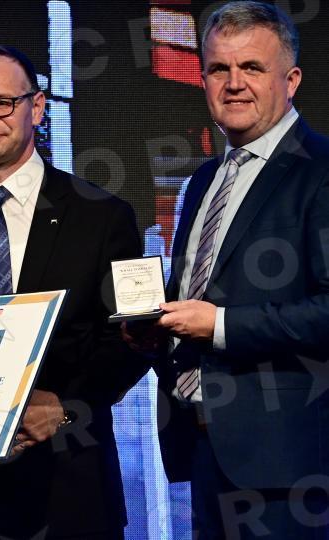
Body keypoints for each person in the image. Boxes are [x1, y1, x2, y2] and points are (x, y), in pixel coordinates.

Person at [0, 45, 148, 540]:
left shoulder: (103, 215)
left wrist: (65, 406)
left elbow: (135, 338)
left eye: (1, 103)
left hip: (70, 487)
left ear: (36, 108)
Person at [131, 2, 329, 538]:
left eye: (252, 68)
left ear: (291, 80)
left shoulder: (321, 171)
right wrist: (156, 333)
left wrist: (218, 325)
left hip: (290, 470)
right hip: (203, 451)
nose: (234, 83)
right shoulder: (202, 182)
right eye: (219, 68)